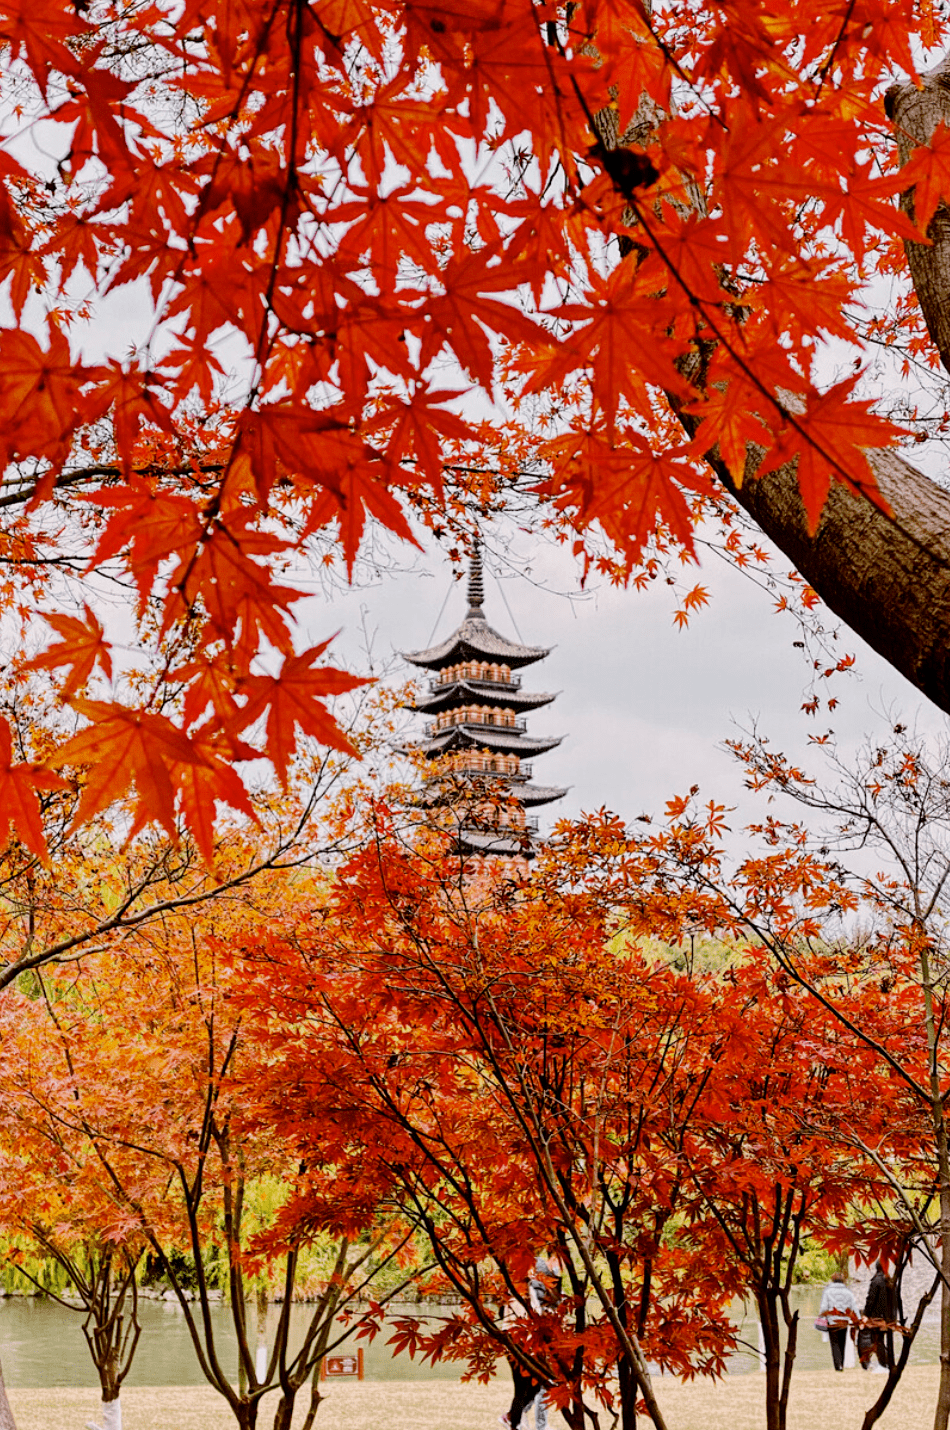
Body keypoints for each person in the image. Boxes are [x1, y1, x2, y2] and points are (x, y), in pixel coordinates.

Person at [819, 1272, 859, 1372]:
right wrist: (858, 1319)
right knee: (842, 1343)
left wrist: (821, 1319)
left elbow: (824, 1307)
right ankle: (841, 1363)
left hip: (832, 1321)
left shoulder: (827, 1292)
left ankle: (838, 1365)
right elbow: (853, 1306)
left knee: (835, 1344)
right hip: (844, 1321)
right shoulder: (848, 1292)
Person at [859, 1261, 894, 1374]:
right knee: (885, 1341)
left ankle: (884, 1365)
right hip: (889, 1317)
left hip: (877, 1318)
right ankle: (888, 1364)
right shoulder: (891, 1281)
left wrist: (866, 1315)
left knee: (877, 1341)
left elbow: (871, 1299)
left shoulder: (876, 1281)